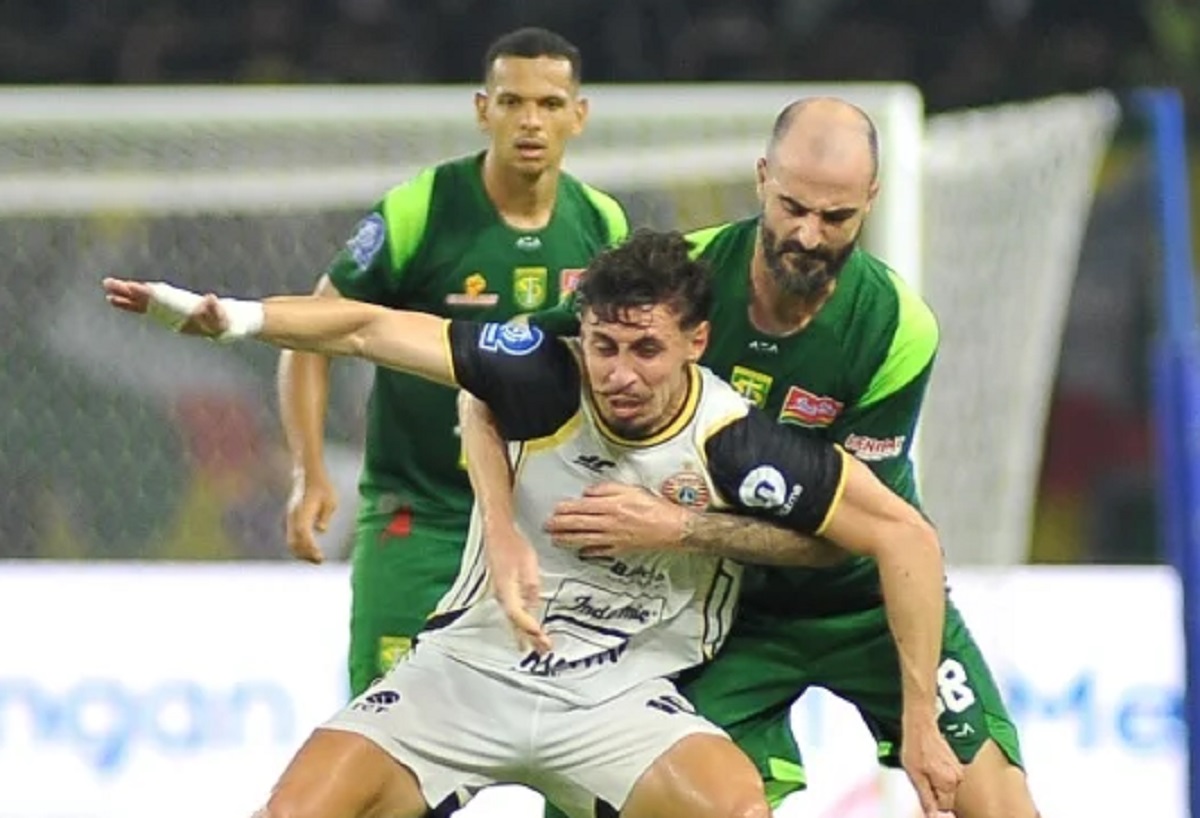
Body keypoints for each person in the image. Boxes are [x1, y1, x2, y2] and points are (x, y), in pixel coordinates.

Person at [100, 228, 955, 818]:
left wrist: (919, 718)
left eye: (647, 350)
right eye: (605, 346)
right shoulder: (542, 376)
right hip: (470, 669)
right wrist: (233, 318)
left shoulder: (737, 446)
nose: (620, 375)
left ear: (696, 342)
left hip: (619, 696)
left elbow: (905, 536)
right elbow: (365, 327)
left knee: (737, 808)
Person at [463, 98, 1040, 817]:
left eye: (835, 217)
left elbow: (853, 539)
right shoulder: (678, 284)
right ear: (763, 177)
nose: (807, 235)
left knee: (999, 806)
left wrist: (679, 528)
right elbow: (487, 377)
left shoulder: (897, 328)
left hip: (865, 602)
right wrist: (501, 529)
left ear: (871, 199)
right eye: (792, 207)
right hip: (720, 613)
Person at [277, 26, 629, 697]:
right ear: (482, 109)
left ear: (578, 116)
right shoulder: (422, 209)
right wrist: (309, 469)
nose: (531, 121)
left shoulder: (602, 223)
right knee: (386, 724)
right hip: (422, 517)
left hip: (549, 526)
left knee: (563, 731)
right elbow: (309, 332)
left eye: (550, 104)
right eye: (512, 102)